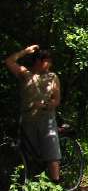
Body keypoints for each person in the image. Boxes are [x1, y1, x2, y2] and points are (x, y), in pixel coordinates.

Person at [5, 44, 62, 182]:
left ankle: (56, 183)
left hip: (46, 119)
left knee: (51, 153)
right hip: (28, 120)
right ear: (38, 61)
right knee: (30, 154)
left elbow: (56, 100)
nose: (50, 64)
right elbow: (9, 61)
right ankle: (32, 184)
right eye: (47, 61)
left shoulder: (52, 77)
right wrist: (25, 51)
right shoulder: (26, 74)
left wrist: (46, 105)